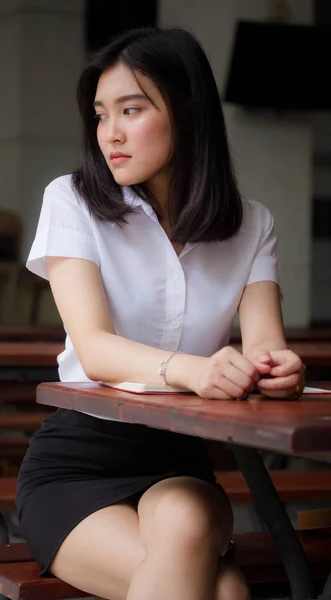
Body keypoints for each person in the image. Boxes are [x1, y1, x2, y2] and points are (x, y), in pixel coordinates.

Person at [16, 26, 305, 600]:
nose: (110, 133)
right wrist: (197, 370)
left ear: (188, 111)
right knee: (224, 592)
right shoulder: (71, 199)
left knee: (196, 542)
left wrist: (277, 371)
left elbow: (265, 348)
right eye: (100, 114)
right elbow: (94, 350)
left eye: (131, 109)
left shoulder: (252, 225)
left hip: (179, 460)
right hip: (77, 462)